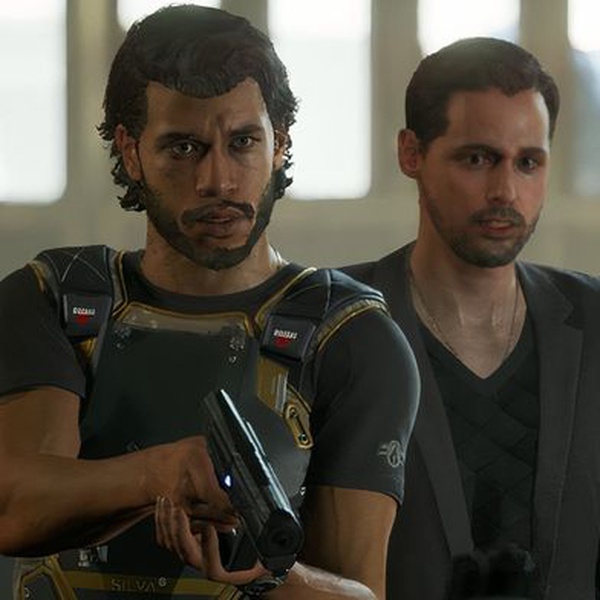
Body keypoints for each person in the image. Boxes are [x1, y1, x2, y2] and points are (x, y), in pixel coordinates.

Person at [0, 5, 419, 600]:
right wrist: (160, 473)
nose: (218, 181)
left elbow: (361, 592)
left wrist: (267, 571)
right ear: (130, 150)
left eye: (243, 142)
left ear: (280, 143)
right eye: (183, 147)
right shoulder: (59, 299)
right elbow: (15, 507)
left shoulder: (347, 336)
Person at [343, 37, 600, 599]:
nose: (505, 191)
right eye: (477, 159)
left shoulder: (595, 320)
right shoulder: (337, 321)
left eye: (528, 162)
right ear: (411, 153)